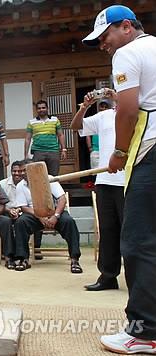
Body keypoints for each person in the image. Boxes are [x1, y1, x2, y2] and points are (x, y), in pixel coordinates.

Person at [83, 5, 156, 352]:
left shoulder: (128, 53)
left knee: (139, 242)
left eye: (105, 36)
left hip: (151, 150)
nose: (104, 45)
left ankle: (144, 332)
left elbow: (127, 110)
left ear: (126, 27)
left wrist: (121, 152)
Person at [71, 89, 124, 291]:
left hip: (129, 181)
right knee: (108, 231)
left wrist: (118, 98)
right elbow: (76, 126)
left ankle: (139, 277)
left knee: (132, 232)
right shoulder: (104, 116)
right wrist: (84, 107)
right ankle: (108, 276)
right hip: (104, 181)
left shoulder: (138, 113)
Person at [13, 161, 82, 273]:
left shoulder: (49, 179)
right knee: (21, 222)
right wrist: (40, 216)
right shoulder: (21, 185)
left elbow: (62, 199)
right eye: (21, 171)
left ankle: (75, 260)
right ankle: (23, 259)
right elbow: (24, 207)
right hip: (35, 215)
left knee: (69, 221)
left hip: (54, 212)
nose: (22, 173)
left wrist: (55, 216)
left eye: (25, 170)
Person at [24, 100, 67, 176]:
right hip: (38, 151)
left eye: (43, 107)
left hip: (53, 151)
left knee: (54, 175)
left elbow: (60, 135)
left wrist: (63, 149)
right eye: (39, 108)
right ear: (36, 110)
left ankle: (53, 188)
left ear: (47, 109)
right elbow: (27, 139)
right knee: (38, 175)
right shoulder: (31, 122)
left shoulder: (55, 120)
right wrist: (26, 154)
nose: (41, 110)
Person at [0, 160, 25, 268]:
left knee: (25, 221)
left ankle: (22, 255)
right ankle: (9, 256)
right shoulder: (3, 183)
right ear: (11, 171)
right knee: (6, 222)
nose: (17, 173)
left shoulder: (27, 184)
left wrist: (19, 210)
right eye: (14, 171)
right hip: (6, 211)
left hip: (23, 211)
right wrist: (9, 210)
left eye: (20, 171)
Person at [86, 100, 111, 169]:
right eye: (102, 106)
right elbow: (87, 134)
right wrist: (90, 147)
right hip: (95, 150)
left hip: (108, 150)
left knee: (108, 171)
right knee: (96, 173)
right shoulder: (95, 118)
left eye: (106, 107)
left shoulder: (112, 119)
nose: (103, 108)